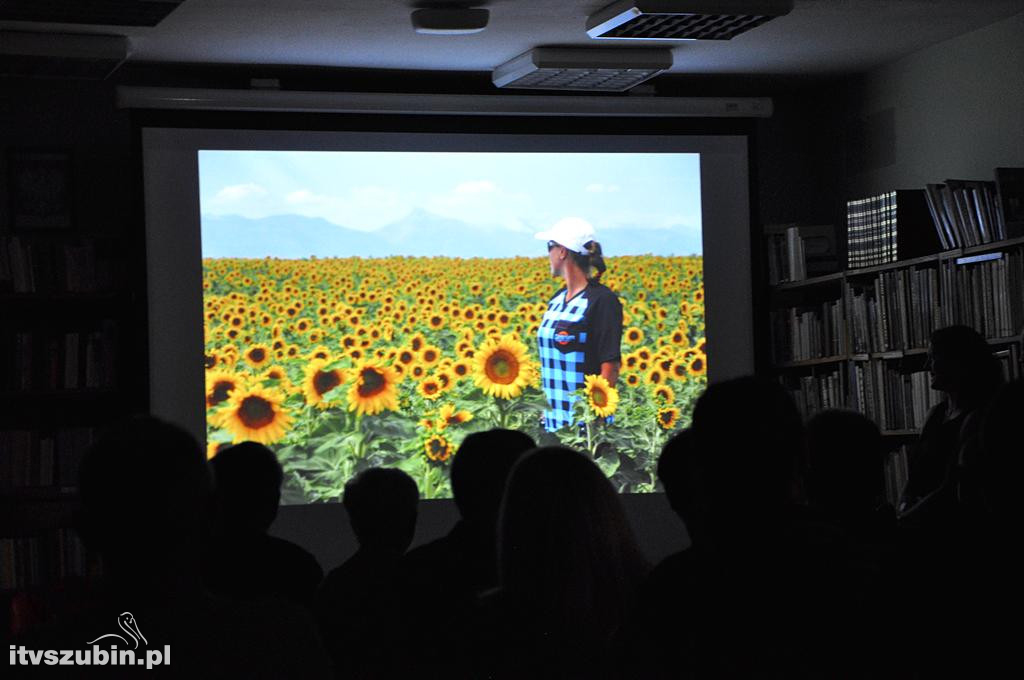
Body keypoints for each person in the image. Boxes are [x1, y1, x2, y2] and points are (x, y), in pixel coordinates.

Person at [898, 325, 1003, 531]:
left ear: (958, 362)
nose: (928, 365)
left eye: (934, 357)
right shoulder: (935, 414)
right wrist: (903, 506)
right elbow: (914, 478)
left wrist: (904, 521)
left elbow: (950, 488)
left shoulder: (979, 418)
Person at [534, 217, 623, 432]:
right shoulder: (557, 299)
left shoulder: (602, 301)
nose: (548, 254)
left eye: (550, 247)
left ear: (563, 251)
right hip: (552, 424)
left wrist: (594, 419)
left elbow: (610, 366)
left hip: (584, 428)